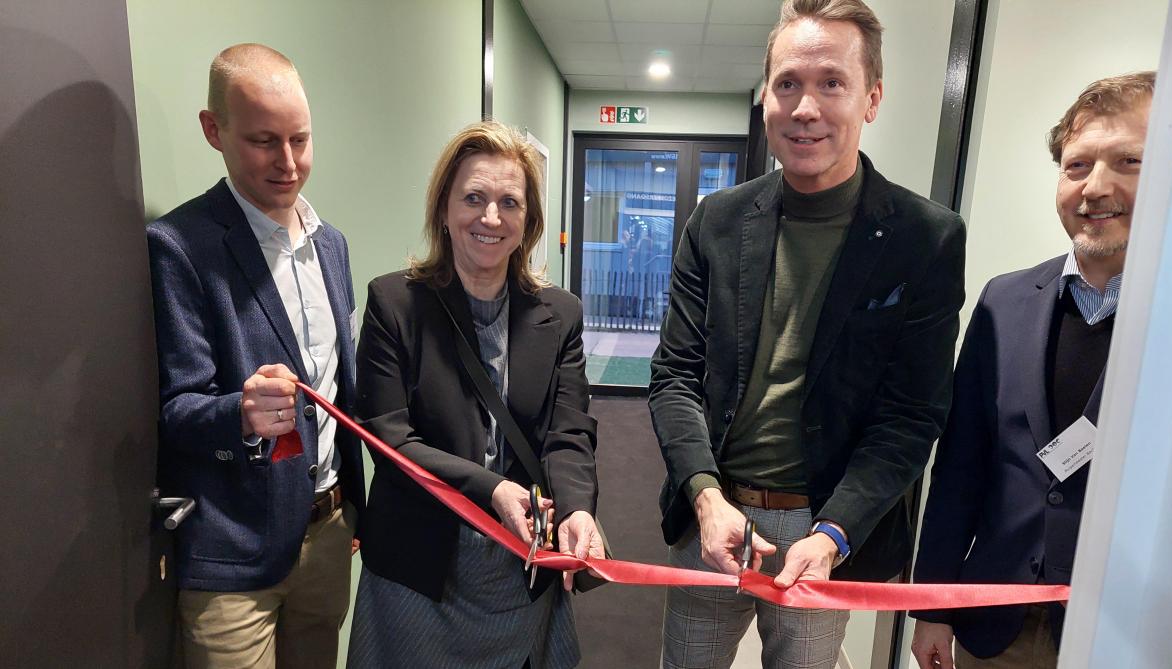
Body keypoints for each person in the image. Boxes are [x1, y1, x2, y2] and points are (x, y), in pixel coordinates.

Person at [648, 0, 967, 666]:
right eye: (787, 82)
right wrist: (704, 496)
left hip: (826, 523)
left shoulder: (925, 239)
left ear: (871, 98)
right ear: (766, 95)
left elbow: (912, 416)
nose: (804, 107)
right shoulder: (717, 220)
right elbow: (676, 373)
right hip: (716, 513)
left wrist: (833, 535)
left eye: (831, 83)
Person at [910, 71, 1155, 669]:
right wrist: (933, 604)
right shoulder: (1005, 300)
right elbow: (962, 464)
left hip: (1133, 630)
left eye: (1129, 161)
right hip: (995, 626)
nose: (1096, 187)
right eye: (1077, 166)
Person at [346, 121, 603, 669]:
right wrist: (493, 491)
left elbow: (568, 431)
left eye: (510, 202)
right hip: (419, 565)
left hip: (519, 563)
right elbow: (391, 439)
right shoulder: (394, 303)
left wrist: (578, 510)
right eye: (474, 198)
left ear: (529, 220)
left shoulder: (560, 315)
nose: (491, 218)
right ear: (444, 209)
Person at [146, 44, 365, 668]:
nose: (289, 163)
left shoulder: (332, 246)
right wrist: (239, 414)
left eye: (301, 139)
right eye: (265, 141)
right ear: (214, 130)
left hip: (327, 536)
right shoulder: (179, 248)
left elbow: (339, 387)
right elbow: (173, 411)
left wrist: (350, 509)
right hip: (232, 553)